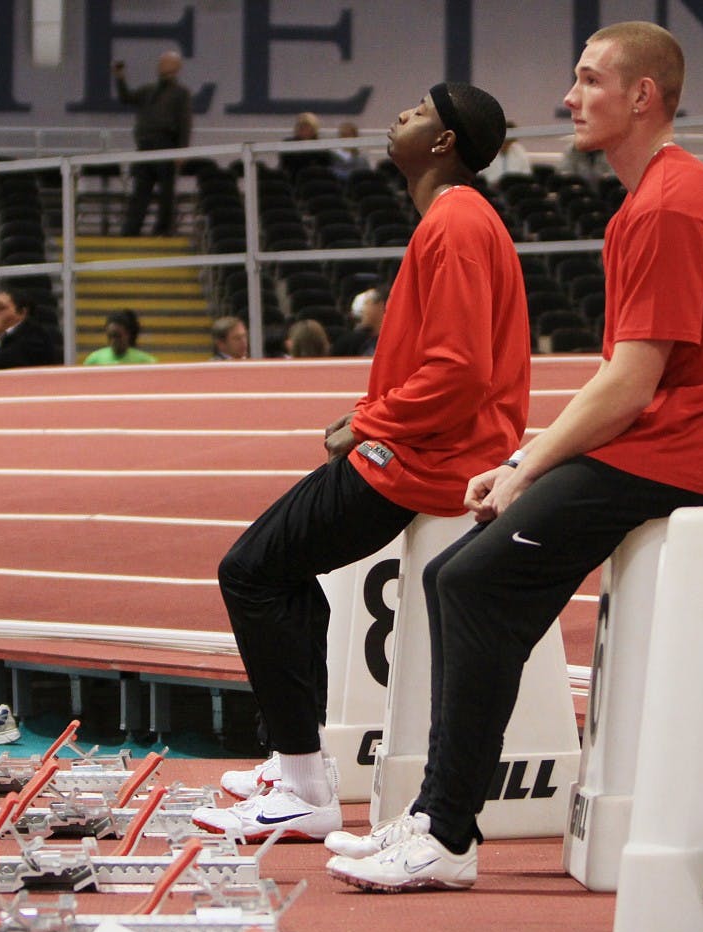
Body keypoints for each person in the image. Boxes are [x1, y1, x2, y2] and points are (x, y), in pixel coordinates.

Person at [325, 20, 703, 893]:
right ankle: (436, 816)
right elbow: (624, 380)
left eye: (588, 80)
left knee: (472, 585)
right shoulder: (650, 199)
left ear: (642, 97)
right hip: (651, 444)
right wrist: (531, 457)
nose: (567, 98)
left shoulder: (671, 205)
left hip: (667, 455)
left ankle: (446, 833)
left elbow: (632, 382)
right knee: (468, 585)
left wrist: (524, 466)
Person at [189, 82, 531, 843]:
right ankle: (295, 759)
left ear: (443, 144)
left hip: (425, 456)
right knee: (278, 570)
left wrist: (366, 421)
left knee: (249, 571)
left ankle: (305, 785)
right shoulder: (454, 219)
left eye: (414, 113)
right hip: (421, 445)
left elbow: (459, 371)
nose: (396, 119)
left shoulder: (456, 224)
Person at [114, 51, 192, 236]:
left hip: (166, 143)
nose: (162, 66)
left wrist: (182, 150)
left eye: (166, 63)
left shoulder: (181, 93)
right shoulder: (148, 90)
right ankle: (132, 229)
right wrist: (120, 78)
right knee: (141, 189)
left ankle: (164, 229)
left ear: (176, 67)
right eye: (162, 63)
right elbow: (127, 98)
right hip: (145, 145)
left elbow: (185, 122)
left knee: (166, 191)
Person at [84, 310, 157, 365]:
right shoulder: (94, 361)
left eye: (117, 336)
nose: (113, 340)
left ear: (128, 334)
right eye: (110, 336)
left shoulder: (146, 362)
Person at [331, 286, 388, 357]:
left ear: (381, 305)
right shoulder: (349, 344)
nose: (362, 310)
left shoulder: (394, 342)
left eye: (366, 303)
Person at [279, 112, 333, 181]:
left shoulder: (322, 145)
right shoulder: (288, 144)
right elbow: (285, 165)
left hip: (316, 179)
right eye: (301, 127)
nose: (304, 130)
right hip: (293, 178)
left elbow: (326, 165)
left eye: (307, 127)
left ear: (314, 129)